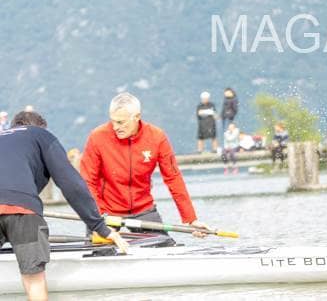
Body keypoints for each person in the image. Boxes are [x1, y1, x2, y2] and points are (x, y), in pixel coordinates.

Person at [1, 110, 128, 299]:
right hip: (24, 212)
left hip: (18, 207)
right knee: (33, 280)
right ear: (40, 128)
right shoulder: (41, 135)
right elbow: (72, 186)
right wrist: (100, 227)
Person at [80, 92, 210, 239]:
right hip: (106, 212)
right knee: (101, 250)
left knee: (163, 246)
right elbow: (87, 181)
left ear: (137, 117)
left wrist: (191, 219)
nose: (115, 127)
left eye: (121, 122)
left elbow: (173, 178)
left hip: (143, 209)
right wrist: (99, 218)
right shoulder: (97, 137)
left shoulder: (157, 137)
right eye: (113, 121)